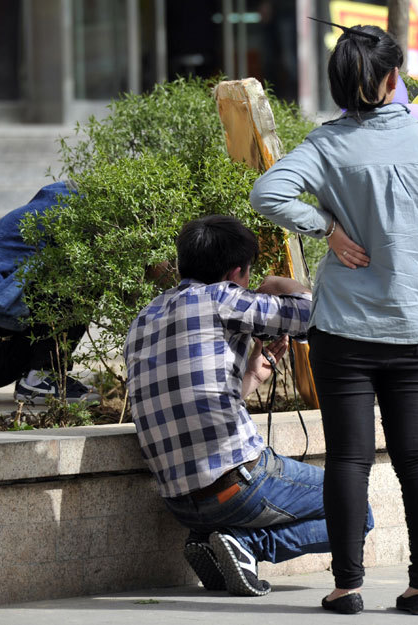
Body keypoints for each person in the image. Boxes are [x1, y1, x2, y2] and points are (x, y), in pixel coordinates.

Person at [250, 24, 418, 616]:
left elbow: (268, 193)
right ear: (394, 80)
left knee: (347, 458)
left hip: (343, 328)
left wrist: (328, 230)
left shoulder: (326, 143)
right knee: (417, 457)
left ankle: (348, 586)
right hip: (414, 323)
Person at [125, 215, 353, 597]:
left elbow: (190, 396)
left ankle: (214, 543)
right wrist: (278, 284)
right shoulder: (221, 297)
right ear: (237, 273)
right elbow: (318, 317)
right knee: (355, 508)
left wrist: (253, 376)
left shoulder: (143, 319)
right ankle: (248, 546)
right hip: (238, 485)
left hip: (180, 504)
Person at [0, 181, 97, 404]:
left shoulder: (54, 206)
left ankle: (39, 376)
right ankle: (42, 378)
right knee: (82, 265)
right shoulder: (68, 217)